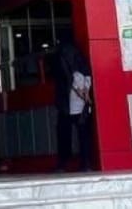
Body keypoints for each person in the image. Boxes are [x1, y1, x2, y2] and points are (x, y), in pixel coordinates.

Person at [53, 40, 93, 173]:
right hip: (81, 105)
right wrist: (85, 92)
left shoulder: (61, 57)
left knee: (64, 134)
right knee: (84, 134)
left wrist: (78, 90)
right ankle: (85, 163)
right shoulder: (81, 60)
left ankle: (63, 164)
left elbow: (67, 79)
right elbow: (87, 76)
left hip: (66, 104)